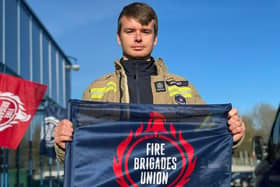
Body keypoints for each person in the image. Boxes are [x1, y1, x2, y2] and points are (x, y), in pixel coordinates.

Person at [54, 2, 245, 162]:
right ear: (118, 38)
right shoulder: (96, 89)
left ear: (155, 39)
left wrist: (231, 133)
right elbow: (82, 155)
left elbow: (207, 138)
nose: (138, 38)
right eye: (130, 31)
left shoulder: (183, 86)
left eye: (145, 31)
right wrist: (63, 144)